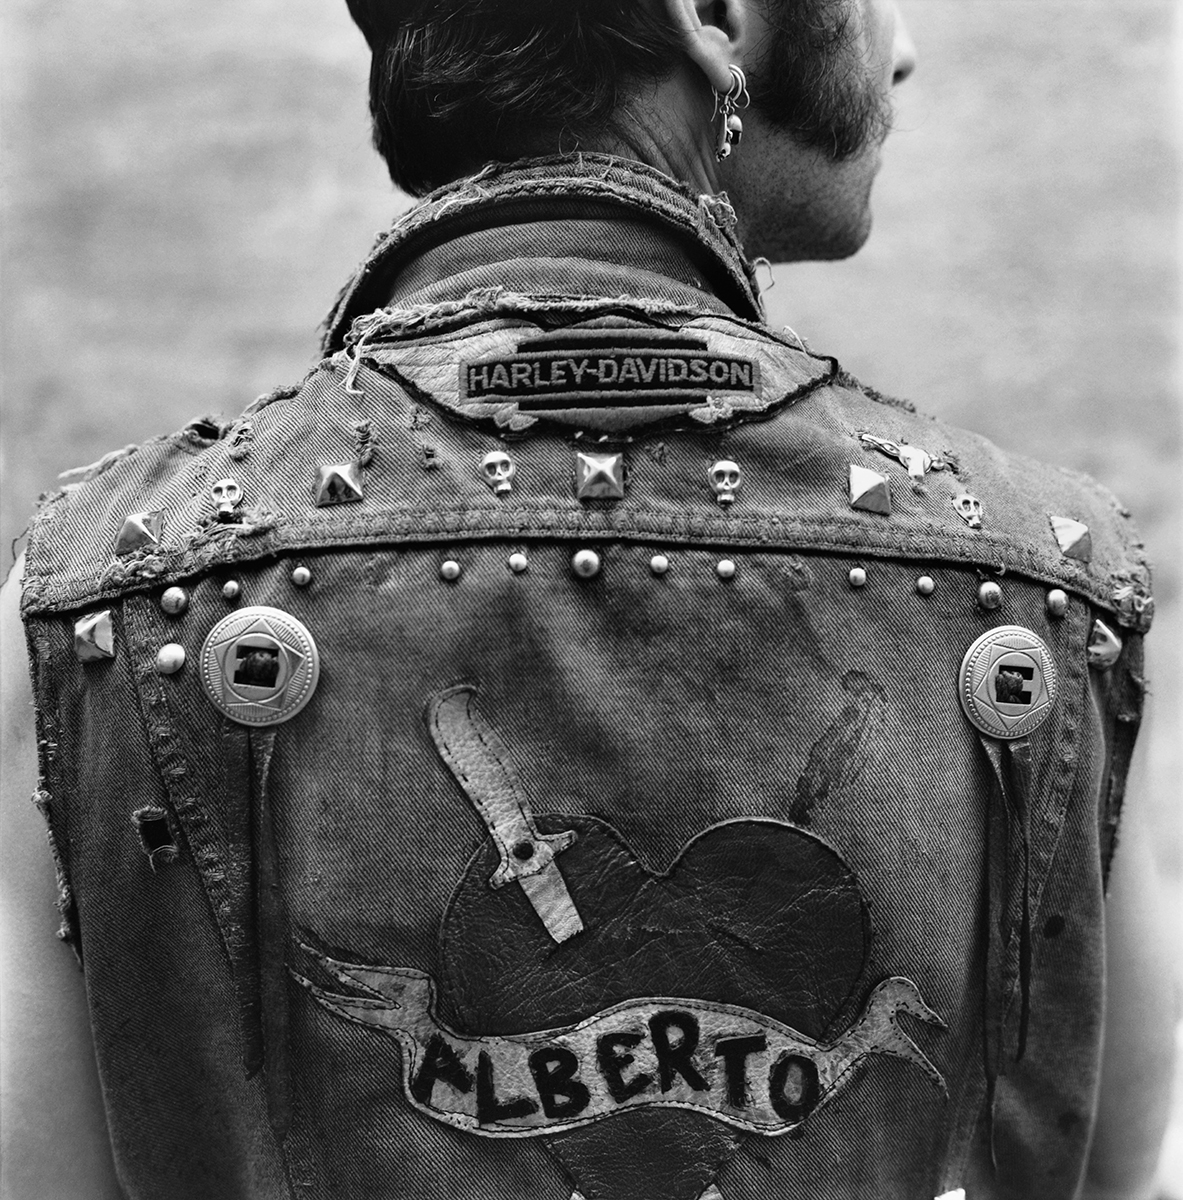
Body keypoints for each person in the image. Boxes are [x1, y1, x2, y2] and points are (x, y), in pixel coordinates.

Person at [1, 1, 1174, 1197]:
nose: (900, 46)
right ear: (713, 15)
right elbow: (1108, 1168)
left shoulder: (108, 598)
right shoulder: (1043, 590)